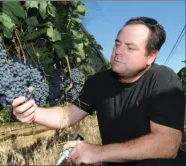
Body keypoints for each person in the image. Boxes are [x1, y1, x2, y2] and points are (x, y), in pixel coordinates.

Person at [12, 17, 186, 166]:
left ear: (151, 56)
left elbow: (167, 145)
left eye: (130, 48)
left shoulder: (164, 80)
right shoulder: (99, 82)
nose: (118, 52)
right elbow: (66, 116)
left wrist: (98, 152)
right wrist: (33, 113)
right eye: (117, 44)